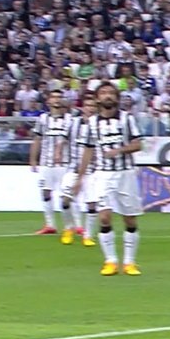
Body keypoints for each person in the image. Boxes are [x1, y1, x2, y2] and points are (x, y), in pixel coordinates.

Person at [74, 82, 144, 276]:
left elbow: (138, 145)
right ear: (97, 98)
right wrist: (79, 178)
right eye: (103, 93)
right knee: (104, 217)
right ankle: (110, 261)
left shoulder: (127, 119)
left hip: (126, 173)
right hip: (102, 174)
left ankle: (129, 262)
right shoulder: (91, 123)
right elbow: (88, 150)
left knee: (130, 220)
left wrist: (119, 150)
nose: (107, 96)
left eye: (111, 93)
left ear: (117, 97)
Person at [30, 89, 77, 237]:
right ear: (48, 101)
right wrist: (33, 159)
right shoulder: (43, 119)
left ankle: (71, 225)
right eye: (54, 97)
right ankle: (50, 224)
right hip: (46, 162)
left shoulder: (71, 119)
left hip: (65, 163)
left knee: (66, 195)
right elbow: (37, 139)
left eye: (59, 97)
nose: (57, 100)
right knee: (45, 192)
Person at [59, 94, 99, 247]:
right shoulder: (73, 123)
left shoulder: (99, 125)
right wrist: (58, 150)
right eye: (87, 105)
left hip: (93, 170)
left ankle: (88, 235)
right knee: (65, 199)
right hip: (73, 168)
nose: (90, 108)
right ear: (83, 108)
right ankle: (69, 228)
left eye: (93, 106)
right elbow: (63, 139)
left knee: (92, 204)